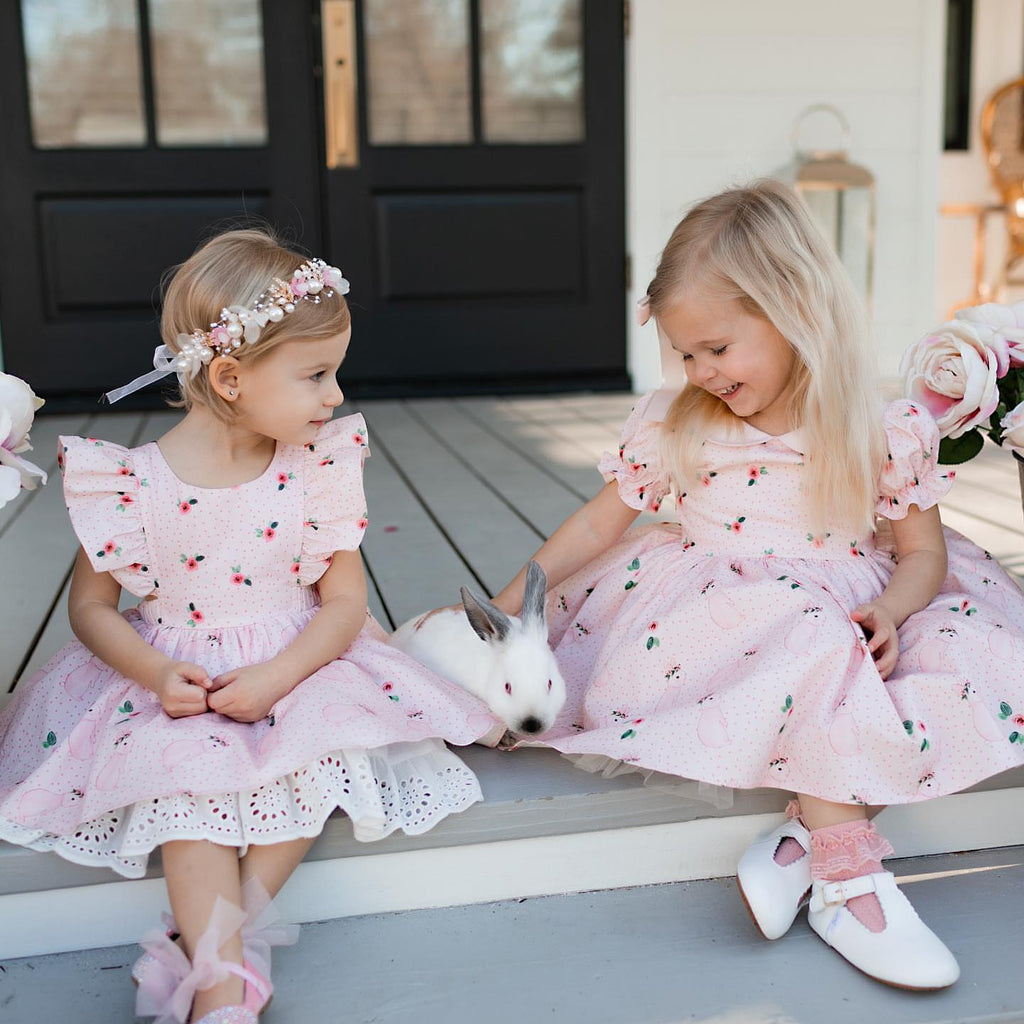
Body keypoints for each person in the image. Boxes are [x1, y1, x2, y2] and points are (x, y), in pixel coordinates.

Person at [484, 181, 1024, 989]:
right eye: (686, 353)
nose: (700, 371)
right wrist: (510, 600)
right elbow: (601, 525)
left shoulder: (879, 430)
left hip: (850, 601)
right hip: (715, 611)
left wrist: (895, 609)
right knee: (813, 641)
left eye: (718, 349)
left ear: (794, 311)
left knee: (914, 662)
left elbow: (922, 556)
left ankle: (806, 841)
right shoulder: (679, 421)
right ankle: (847, 880)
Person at [0, 229, 498, 1023]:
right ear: (230, 376)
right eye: (316, 375)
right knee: (188, 786)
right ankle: (224, 989)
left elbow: (344, 606)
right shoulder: (129, 485)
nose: (335, 396)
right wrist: (157, 674)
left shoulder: (315, 469)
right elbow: (91, 608)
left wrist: (278, 676)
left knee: (317, 747)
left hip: (299, 660)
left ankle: (217, 944)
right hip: (174, 676)